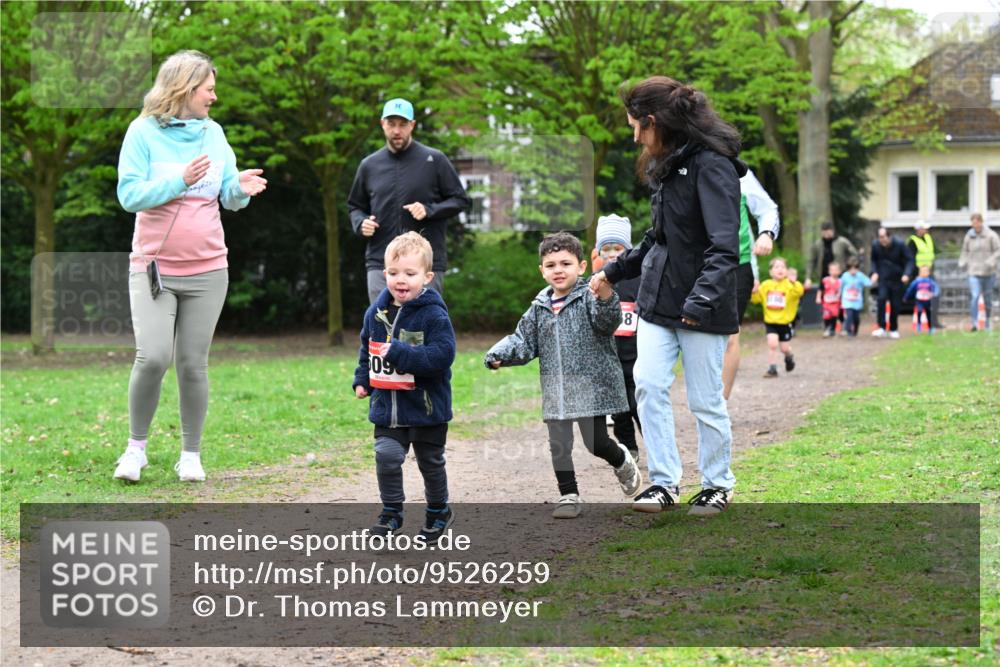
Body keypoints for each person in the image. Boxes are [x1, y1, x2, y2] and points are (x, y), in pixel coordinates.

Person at [590, 76, 743, 516]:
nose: (635, 136)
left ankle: (717, 484)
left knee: (704, 399)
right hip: (658, 302)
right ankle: (664, 483)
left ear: (654, 121)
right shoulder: (665, 164)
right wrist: (612, 272)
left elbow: (723, 247)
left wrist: (700, 302)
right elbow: (657, 238)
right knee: (649, 386)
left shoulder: (713, 166)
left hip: (703, 307)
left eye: (637, 126)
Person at [113, 50, 267, 483]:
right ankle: (135, 449)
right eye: (209, 88)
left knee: (192, 364)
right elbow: (130, 196)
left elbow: (227, 196)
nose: (214, 97)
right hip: (154, 268)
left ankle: (191, 454)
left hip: (209, 269)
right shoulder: (141, 133)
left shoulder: (213, 134)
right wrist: (178, 180)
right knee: (152, 357)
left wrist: (239, 188)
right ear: (184, 88)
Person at [485, 232, 641, 519]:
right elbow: (523, 340)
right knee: (559, 443)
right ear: (542, 271)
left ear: (581, 267)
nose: (558, 270)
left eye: (565, 264)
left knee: (595, 443)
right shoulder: (539, 307)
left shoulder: (590, 296)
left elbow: (608, 322)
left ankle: (621, 459)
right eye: (551, 265)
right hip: (556, 386)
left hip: (589, 386)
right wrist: (498, 355)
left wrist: (606, 295)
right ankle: (568, 494)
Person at [353, 232, 457, 542]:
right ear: (384, 274)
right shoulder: (376, 313)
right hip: (388, 407)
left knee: (430, 462)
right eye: (394, 273)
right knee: (386, 456)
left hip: (426, 408)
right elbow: (366, 349)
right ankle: (391, 512)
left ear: (427, 276)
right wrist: (363, 379)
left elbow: (442, 356)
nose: (402, 280)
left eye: (410, 274)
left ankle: (438, 511)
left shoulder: (434, 314)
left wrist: (402, 353)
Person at [348, 98, 470, 304]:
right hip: (382, 264)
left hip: (424, 265)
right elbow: (355, 206)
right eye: (391, 124)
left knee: (420, 331)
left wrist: (429, 210)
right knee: (382, 330)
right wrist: (361, 223)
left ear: (412, 125)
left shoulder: (435, 160)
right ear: (382, 124)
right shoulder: (369, 165)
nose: (397, 130)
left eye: (403, 124)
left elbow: (460, 200)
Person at [722, 168, 780, 399]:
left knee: (728, 336)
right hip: (695, 265)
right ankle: (704, 397)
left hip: (737, 264)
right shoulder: (678, 165)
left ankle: (719, 407)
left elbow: (767, 208)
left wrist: (766, 233)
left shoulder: (737, 172)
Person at [594, 214, 642, 462]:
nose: (612, 254)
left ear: (628, 250)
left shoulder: (639, 277)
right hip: (609, 357)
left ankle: (655, 444)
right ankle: (628, 448)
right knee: (619, 407)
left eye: (618, 248)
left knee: (638, 404)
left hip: (635, 354)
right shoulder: (595, 281)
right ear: (598, 252)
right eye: (606, 248)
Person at [751, 258, 809, 377]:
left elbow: (800, 292)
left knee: (784, 348)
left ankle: (789, 357)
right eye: (776, 267)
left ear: (787, 271)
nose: (780, 269)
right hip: (771, 322)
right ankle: (772, 369)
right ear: (771, 271)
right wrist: (754, 291)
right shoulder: (766, 285)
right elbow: (756, 299)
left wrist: (794, 283)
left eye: (783, 267)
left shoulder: (789, 285)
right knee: (772, 344)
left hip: (785, 322)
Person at [958, 213, 1000, 331]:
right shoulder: (969, 236)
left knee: (987, 299)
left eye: (976, 222)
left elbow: (998, 250)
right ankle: (974, 323)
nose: (974, 225)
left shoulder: (991, 235)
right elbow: (964, 251)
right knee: (975, 296)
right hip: (973, 272)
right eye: (972, 223)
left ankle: (987, 321)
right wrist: (962, 262)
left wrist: (991, 261)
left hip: (988, 272)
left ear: (981, 222)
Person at [870, 226, 914, 339]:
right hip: (883, 278)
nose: (882, 240)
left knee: (895, 304)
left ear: (889, 236)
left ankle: (893, 328)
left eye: (883, 237)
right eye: (880, 237)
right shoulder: (876, 245)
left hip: (897, 278)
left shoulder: (900, 244)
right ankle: (881, 327)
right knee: (881, 299)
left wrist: (906, 274)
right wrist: (874, 272)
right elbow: (873, 260)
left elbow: (909, 259)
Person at [907, 221, 942, 328]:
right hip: (919, 274)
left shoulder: (928, 238)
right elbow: (910, 258)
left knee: (934, 294)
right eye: (924, 228)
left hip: (930, 271)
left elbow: (935, 252)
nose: (926, 230)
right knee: (921, 298)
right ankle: (920, 323)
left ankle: (934, 321)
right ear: (918, 229)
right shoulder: (912, 241)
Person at [839, 257, 874, 337]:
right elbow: (840, 285)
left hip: (857, 301)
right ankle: (849, 331)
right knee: (849, 316)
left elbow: (868, 283)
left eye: (855, 269)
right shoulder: (845, 276)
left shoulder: (860, 276)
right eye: (851, 269)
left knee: (856, 318)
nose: (853, 271)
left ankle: (855, 330)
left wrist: (873, 280)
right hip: (847, 301)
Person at [904, 265, 941, 335]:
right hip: (919, 300)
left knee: (928, 314)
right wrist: (906, 297)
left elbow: (936, 288)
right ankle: (919, 325)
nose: (924, 273)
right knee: (919, 311)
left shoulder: (930, 281)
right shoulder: (917, 281)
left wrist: (934, 294)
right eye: (922, 271)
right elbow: (910, 289)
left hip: (928, 301)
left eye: (925, 271)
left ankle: (930, 328)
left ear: (928, 273)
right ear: (919, 272)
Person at [816, 261, 843, 337]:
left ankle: (832, 329)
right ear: (829, 271)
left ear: (839, 271)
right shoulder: (825, 280)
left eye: (836, 270)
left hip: (836, 303)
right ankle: (826, 328)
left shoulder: (841, 282)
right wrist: (818, 297)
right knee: (826, 316)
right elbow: (820, 289)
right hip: (826, 303)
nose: (834, 272)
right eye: (832, 270)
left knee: (834, 316)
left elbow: (843, 292)